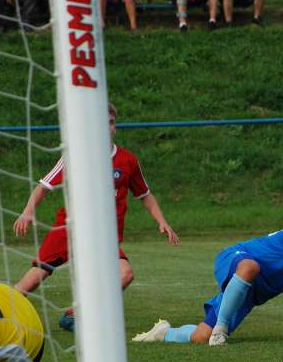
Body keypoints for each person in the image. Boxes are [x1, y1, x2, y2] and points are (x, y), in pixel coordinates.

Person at [13, 103, 179, 327]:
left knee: (125, 274)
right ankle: (4, 308)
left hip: (103, 236)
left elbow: (145, 195)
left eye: (111, 123)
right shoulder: (76, 155)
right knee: (38, 274)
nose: (107, 127)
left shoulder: (127, 160)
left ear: (114, 127)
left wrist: (162, 222)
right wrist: (27, 211)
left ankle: (76, 315)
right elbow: (44, 185)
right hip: (70, 228)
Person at [132, 206, 283, 346]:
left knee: (200, 337)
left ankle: (163, 333)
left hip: (254, 292)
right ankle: (221, 331)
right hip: (237, 259)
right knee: (251, 266)